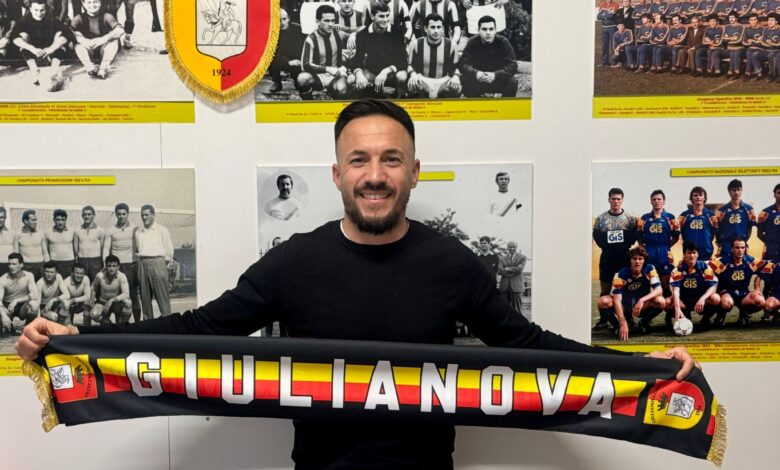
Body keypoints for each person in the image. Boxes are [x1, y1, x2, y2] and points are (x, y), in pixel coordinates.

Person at [16, 99, 698, 469]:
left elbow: (528, 344)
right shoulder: (294, 262)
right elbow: (198, 330)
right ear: (338, 174)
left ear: (414, 172)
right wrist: (81, 337)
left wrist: (641, 367)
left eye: (391, 159)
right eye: (361, 160)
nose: (376, 175)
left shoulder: (453, 264)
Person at [596, 246, 666, 340]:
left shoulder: (650, 269)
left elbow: (659, 290)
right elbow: (617, 300)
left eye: (640, 259)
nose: (637, 262)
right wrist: (622, 322)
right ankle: (617, 326)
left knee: (661, 301)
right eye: (634, 258)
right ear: (630, 260)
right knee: (602, 301)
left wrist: (642, 300)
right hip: (624, 305)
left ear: (644, 260)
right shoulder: (620, 274)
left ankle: (643, 323)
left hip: (642, 305)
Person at [592, 187, 637, 329]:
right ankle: (603, 319)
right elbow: (597, 236)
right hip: (607, 258)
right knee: (605, 290)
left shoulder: (630, 219)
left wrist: (622, 246)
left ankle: (628, 318)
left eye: (618, 199)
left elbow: (633, 236)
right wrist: (608, 246)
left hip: (624, 258)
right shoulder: (601, 219)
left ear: (622, 200)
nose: (616, 201)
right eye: (613, 199)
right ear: (609, 200)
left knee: (626, 290)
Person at [10, 0, 72, 91]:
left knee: (60, 34)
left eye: (42, 10)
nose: (39, 13)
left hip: (49, 49)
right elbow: (13, 37)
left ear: (46, 9)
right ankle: (34, 69)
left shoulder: (51, 19)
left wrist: (51, 48)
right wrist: (32, 49)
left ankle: (54, 69)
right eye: (36, 10)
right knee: (23, 36)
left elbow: (68, 34)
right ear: (30, 9)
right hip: (34, 50)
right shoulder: (24, 20)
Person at [352, 1, 409, 98]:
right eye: (381, 16)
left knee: (402, 76)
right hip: (372, 73)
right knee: (355, 79)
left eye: (387, 16)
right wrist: (359, 74)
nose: (385, 20)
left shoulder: (397, 33)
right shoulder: (362, 34)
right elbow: (357, 59)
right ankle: (375, 95)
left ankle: (400, 98)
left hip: (391, 72)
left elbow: (402, 60)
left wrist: (385, 71)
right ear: (372, 16)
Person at [298, 4, 350, 100]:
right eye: (326, 21)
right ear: (318, 21)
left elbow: (359, 32)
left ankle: (334, 103)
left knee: (341, 90)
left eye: (333, 21)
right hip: (318, 76)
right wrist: (327, 69)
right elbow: (305, 65)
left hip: (336, 74)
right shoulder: (311, 39)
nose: (330, 24)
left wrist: (353, 35)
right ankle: (308, 103)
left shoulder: (339, 33)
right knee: (302, 79)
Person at [709, 237, 765, 326]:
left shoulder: (750, 261)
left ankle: (743, 313)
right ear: (732, 249)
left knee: (760, 301)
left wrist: (757, 289)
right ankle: (721, 315)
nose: (740, 250)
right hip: (727, 293)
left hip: (744, 294)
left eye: (742, 247)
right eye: (737, 247)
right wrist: (714, 290)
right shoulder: (723, 262)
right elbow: (707, 269)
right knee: (726, 303)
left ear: (745, 249)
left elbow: (763, 270)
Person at [406, 13, 462, 98]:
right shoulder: (415, 44)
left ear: (442, 29)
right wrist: (413, 74)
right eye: (432, 27)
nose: (436, 31)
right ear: (425, 29)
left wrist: (456, 77)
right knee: (414, 86)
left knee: (457, 88)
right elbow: (409, 65)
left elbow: (455, 66)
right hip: (423, 80)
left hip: (443, 80)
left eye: (439, 27)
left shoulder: (452, 45)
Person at [459, 15, 518, 97]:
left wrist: (495, 75)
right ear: (478, 30)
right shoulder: (472, 42)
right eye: (484, 29)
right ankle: (475, 104)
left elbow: (513, 65)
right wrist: (476, 73)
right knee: (464, 79)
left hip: (497, 79)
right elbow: (463, 64)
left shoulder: (503, 42)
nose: (488, 32)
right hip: (478, 80)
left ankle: (505, 105)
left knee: (512, 82)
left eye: (491, 29)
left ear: (495, 30)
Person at [668, 241, 720, 329]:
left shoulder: (704, 267)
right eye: (689, 253)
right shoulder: (678, 269)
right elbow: (676, 290)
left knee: (716, 298)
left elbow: (712, 287)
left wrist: (702, 299)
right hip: (684, 301)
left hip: (699, 300)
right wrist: (677, 308)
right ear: (684, 255)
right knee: (667, 302)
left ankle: (706, 319)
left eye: (694, 253)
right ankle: (685, 316)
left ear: (698, 254)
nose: (692, 256)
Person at [637, 190, 680, 295]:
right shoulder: (644, 218)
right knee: (647, 283)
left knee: (665, 285)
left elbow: (676, 236)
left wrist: (666, 246)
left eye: (659, 199)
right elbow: (639, 235)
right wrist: (643, 248)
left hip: (664, 253)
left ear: (664, 201)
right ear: (651, 201)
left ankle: (668, 304)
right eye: (654, 199)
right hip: (649, 252)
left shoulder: (670, 217)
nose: (656, 201)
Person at [103, 203, 141, 322]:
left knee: (133, 295)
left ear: (128, 214)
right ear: (116, 214)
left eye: (124, 214)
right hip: (117, 267)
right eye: (119, 214)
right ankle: (120, 323)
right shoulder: (110, 230)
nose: (121, 216)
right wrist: (105, 265)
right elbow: (106, 249)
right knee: (118, 295)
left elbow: (140, 247)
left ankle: (137, 323)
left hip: (132, 265)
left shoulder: (135, 229)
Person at [135, 204, 173, 319]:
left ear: (153, 215)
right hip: (142, 263)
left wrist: (161, 265)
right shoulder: (138, 232)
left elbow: (169, 251)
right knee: (145, 299)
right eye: (142, 215)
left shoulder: (162, 230)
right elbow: (139, 249)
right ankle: (148, 325)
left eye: (147, 215)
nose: (144, 218)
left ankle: (167, 323)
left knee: (162, 298)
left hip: (158, 262)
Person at [71, 0, 123, 79]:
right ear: (83, 4)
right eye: (89, 2)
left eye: (95, 2)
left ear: (100, 2)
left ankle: (103, 68)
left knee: (114, 40)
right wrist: (84, 41)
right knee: (77, 42)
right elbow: (69, 32)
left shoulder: (106, 16)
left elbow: (120, 30)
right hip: (88, 50)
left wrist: (102, 39)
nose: (92, 5)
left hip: (104, 50)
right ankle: (89, 67)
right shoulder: (79, 17)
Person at [714, 179, 756, 258]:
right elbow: (717, 229)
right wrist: (720, 242)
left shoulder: (749, 209)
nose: (736, 192)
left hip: (741, 246)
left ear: (741, 191)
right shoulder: (721, 211)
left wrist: (744, 240)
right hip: (726, 246)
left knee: (742, 265)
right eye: (733, 190)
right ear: (729, 192)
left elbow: (750, 227)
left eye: (738, 190)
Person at [269, 8, 305, 93]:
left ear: (288, 18)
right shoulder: (272, 32)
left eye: (284, 19)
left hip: (297, 59)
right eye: (278, 20)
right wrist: (288, 62)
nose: (282, 22)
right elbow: (273, 53)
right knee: (270, 58)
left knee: (300, 84)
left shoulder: (299, 29)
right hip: (282, 60)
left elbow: (305, 46)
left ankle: (297, 78)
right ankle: (276, 81)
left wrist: (300, 61)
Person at [1, 253, 38, 335]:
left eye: (14, 264)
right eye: (9, 264)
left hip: (22, 305)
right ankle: (9, 327)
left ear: (21, 265)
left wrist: (17, 300)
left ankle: (28, 328)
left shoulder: (29, 275)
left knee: (34, 304)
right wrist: (3, 315)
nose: (11, 267)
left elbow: (34, 294)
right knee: (4, 333)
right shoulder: (3, 279)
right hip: (8, 306)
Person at [89, 255, 132, 325]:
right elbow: (94, 287)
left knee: (128, 303)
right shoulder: (100, 275)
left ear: (118, 267)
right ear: (106, 266)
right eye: (109, 266)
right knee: (93, 314)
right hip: (103, 302)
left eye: (114, 266)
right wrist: (91, 299)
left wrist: (111, 300)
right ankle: (108, 323)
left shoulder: (122, 276)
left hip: (117, 303)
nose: (111, 268)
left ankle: (121, 324)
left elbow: (126, 294)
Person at [678, 186, 716, 262]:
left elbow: (714, 232)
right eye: (695, 195)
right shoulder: (684, 215)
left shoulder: (711, 215)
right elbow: (681, 233)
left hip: (706, 255)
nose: (698, 197)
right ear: (691, 199)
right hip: (689, 255)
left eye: (700, 195)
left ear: (704, 198)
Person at [14, 209, 48, 281]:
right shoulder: (18, 234)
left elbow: (45, 252)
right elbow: (16, 254)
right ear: (25, 221)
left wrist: (48, 266)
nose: (35, 222)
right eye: (33, 220)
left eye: (36, 220)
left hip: (40, 266)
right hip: (26, 266)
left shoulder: (41, 233)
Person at [74, 205, 104, 285]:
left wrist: (101, 261)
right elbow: (76, 248)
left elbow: (103, 247)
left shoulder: (100, 230)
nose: (86, 216)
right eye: (84, 214)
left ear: (94, 215)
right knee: (83, 283)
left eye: (89, 214)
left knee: (96, 282)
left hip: (95, 261)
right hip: (82, 260)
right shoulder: (77, 230)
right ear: (82, 216)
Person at [749, 12, 780, 81]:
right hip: (767, 50)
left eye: (772, 20)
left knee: (771, 55)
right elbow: (763, 42)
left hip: (777, 51)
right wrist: (770, 44)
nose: (770, 22)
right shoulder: (766, 29)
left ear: (776, 21)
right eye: (769, 20)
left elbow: (778, 44)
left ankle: (771, 74)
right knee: (754, 55)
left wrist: (770, 43)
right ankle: (759, 73)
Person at [498, 241, 526, 317]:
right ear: (507, 248)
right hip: (504, 287)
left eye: (513, 247)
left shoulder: (522, 257)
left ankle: (518, 324)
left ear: (516, 247)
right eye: (510, 247)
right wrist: (514, 270)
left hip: (516, 287)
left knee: (517, 310)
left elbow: (520, 269)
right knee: (503, 309)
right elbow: (500, 270)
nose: (512, 248)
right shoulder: (502, 258)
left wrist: (507, 268)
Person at [45, 209, 75, 278]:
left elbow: (75, 249)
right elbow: (46, 250)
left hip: (69, 262)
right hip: (54, 262)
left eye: (63, 220)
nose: (60, 222)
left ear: (66, 220)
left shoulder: (72, 231)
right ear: (54, 220)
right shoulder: (48, 232)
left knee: (68, 282)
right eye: (58, 220)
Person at [758, 183, 780, 261]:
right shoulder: (765, 212)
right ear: (774, 194)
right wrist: (770, 242)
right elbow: (759, 233)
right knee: (769, 268)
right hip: (771, 251)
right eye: (779, 193)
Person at [742, 13, 766, 79]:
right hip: (750, 49)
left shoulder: (763, 29)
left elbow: (764, 43)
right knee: (749, 51)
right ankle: (756, 72)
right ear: (749, 21)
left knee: (751, 52)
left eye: (754, 20)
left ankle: (749, 72)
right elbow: (744, 42)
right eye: (751, 20)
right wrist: (756, 42)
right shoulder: (747, 29)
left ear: (757, 20)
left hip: (762, 50)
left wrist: (752, 41)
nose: (753, 21)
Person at [597, 1, 620, 67]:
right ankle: (604, 62)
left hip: (612, 27)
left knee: (613, 45)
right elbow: (598, 17)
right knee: (605, 45)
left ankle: (614, 62)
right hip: (604, 28)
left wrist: (604, 15)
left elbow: (611, 15)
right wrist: (607, 14)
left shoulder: (615, 4)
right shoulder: (603, 5)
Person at [0, 207, 16, 278]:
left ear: (5, 218)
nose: (0, 220)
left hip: (8, 265)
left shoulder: (12, 233)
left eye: (2, 217)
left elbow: (16, 251)